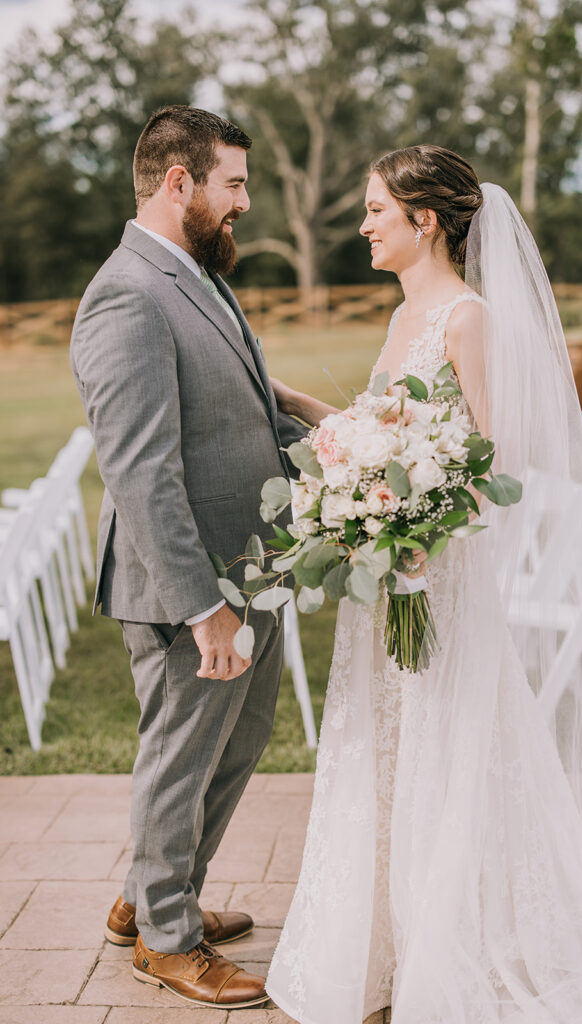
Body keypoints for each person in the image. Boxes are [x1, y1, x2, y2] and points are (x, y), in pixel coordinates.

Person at [265, 146, 582, 1023]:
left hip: (439, 576)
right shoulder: (400, 313)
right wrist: (300, 408)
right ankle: (378, 947)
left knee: (443, 744)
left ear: (424, 221)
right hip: (388, 575)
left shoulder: (465, 316)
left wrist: (422, 526)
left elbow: (503, 455)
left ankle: (447, 942)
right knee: (385, 746)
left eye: (376, 209)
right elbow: (382, 431)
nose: (363, 225)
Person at [70, 104, 307, 1010]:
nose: (243, 201)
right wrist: (202, 602)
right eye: (233, 183)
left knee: (237, 741)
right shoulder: (125, 293)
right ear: (181, 182)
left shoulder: (194, 273)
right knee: (182, 753)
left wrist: (334, 432)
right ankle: (165, 942)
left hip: (254, 565)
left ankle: (155, 895)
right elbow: (139, 469)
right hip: (193, 583)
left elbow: (237, 400)